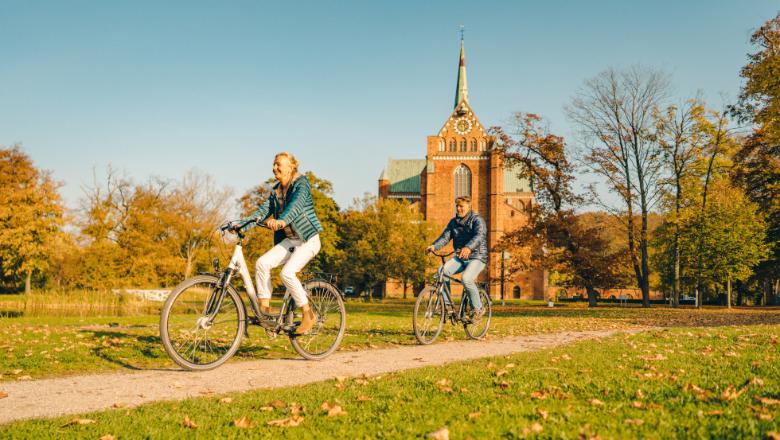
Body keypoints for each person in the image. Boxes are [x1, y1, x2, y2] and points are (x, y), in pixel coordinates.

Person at [237, 152, 323, 334]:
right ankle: (266, 314)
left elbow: (296, 206)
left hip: (308, 239)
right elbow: (262, 211)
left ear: (291, 167)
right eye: (273, 164)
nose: (274, 167)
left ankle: (308, 314)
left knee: (287, 273)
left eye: (278, 164)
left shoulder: (302, 184)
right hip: (291, 240)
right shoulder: (276, 191)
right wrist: (241, 225)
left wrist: (281, 221)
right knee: (262, 263)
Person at [426, 196, 487, 322]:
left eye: (461, 206)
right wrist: (434, 246)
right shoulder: (453, 222)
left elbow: (479, 235)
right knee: (441, 272)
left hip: (477, 256)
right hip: (460, 257)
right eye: (457, 206)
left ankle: (478, 308)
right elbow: (445, 237)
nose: (459, 209)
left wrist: (469, 248)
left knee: (466, 279)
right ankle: (447, 306)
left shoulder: (477, 220)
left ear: (469, 207)